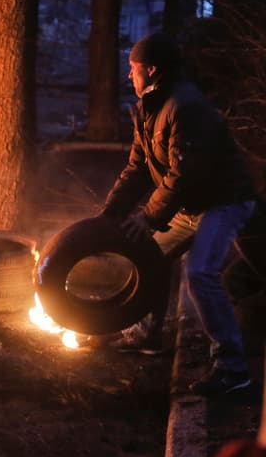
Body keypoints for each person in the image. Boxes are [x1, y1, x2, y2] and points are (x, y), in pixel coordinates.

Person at [101, 31, 258, 395]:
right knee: (150, 255)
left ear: (152, 70)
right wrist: (109, 215)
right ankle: (148, 334)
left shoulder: (186, 107)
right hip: (192, 203)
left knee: (201, 273)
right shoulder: (148, 108)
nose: (129, 76)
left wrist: (149, 218)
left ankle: (233, 369)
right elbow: (138, 168)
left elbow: (183, 174)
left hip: (224, 200)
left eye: (133, 68)